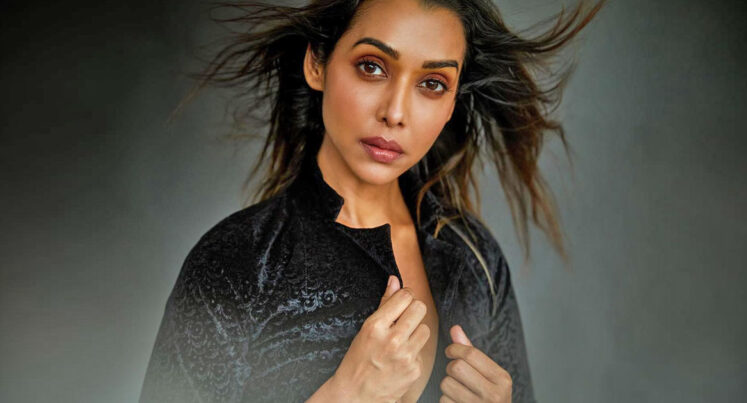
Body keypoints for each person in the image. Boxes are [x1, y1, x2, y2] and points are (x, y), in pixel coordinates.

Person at [139, 0, 604, 401]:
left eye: (432, 83)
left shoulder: (476, 261)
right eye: (372, 67)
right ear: (317, 64)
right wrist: (343, 395)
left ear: (451, 103)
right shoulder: (238, 261)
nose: (395, 113)